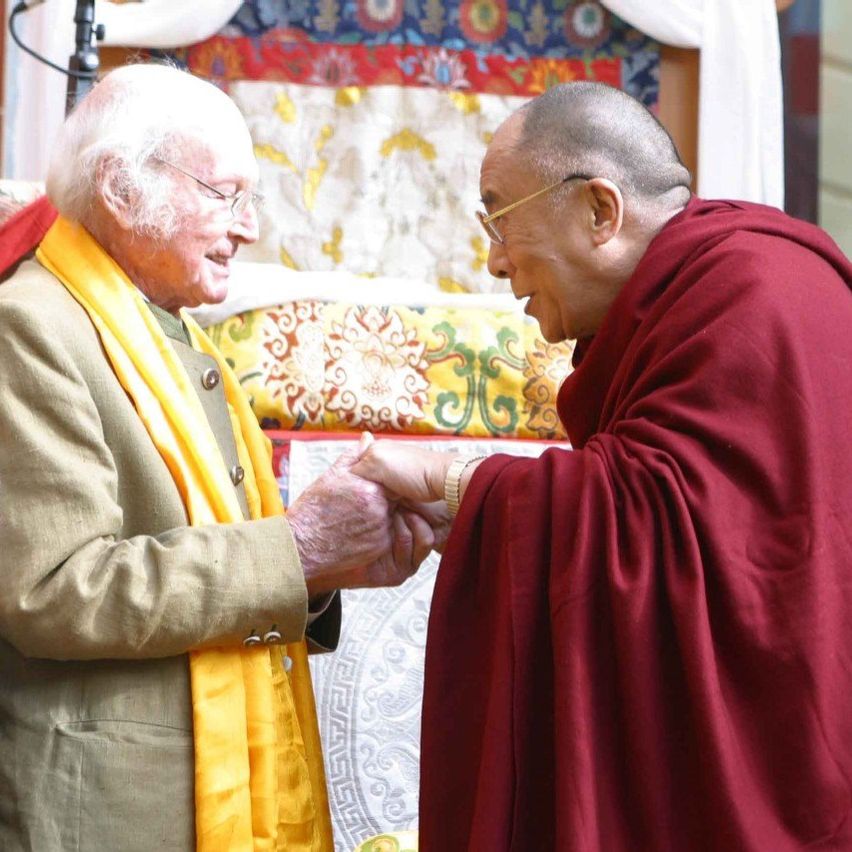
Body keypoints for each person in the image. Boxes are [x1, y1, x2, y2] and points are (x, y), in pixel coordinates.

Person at [352, 81, 852, 850]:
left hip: (786, 758)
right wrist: (479, 510)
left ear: (600, 212)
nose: (494, 262)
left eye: (500, 221)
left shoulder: (755, 296)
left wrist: (457, 484)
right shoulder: (731, 285)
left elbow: (669, 524)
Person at [0, 64, 434, 851]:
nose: (250, 228)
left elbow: (217, 559)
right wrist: (297, 550)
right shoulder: (31, 326)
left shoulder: (173, 337)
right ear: (122, 188)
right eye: (226, 194)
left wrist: (319, 572)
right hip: (106, 806)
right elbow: (54, 591)